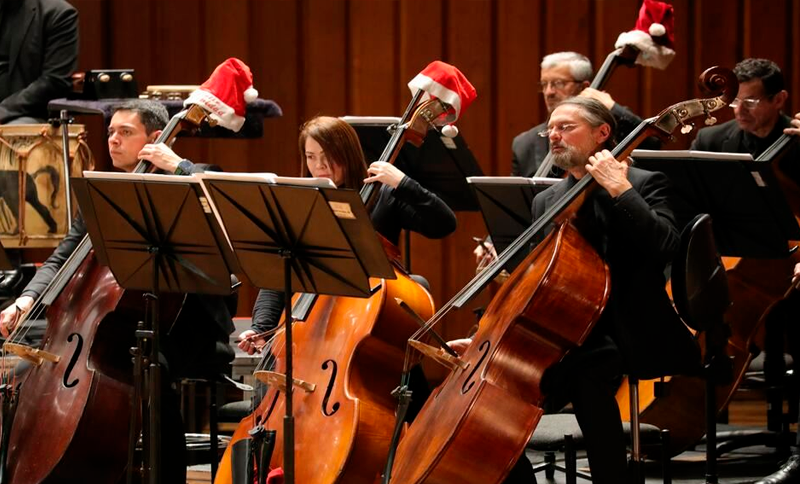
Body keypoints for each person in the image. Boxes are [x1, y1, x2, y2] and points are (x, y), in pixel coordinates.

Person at [452, 97, 699, 484]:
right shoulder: (547, 200)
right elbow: (542, 282)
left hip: (628, 327)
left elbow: (667, 246)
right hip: (566, 332)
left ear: (603, 133)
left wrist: (620, 189)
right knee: (485, 398)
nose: (554, 135)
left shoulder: (645, 183)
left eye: (566, 127)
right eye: (550, 128)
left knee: (588, 370)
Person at [0, 99, 236, 484]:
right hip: (113, 323)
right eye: (110, 132)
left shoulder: (191, 178)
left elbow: (223, 198)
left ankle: (167, 476)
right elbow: (64, 255)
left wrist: (175, 165)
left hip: (184, 325)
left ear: (155, 139)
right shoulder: (100, 191)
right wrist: (26, 300)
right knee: (30, 369)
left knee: (149, 367)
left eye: (125, 133)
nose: (113, 140)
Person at [237, 115, 457, 354]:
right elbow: (280, 274)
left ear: (348, 154)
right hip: (312, 325)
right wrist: (261, 328)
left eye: (328, 156)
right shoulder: (300, 201)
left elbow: (444, 224)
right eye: (311, 157)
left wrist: (403, 183)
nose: (319, 166)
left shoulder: (381, 194)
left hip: (364, 324)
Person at [691, 58, 800, 484]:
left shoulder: (798, 140)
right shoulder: (712, 138)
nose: (739, 109)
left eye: (752, 100)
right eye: (735, 99)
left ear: (780, 100)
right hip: (735, 263)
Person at [511, 51, 655, 179]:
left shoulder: (612, 124)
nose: (549, 92)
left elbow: (652, 143)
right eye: (544, 84)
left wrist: (613, 108)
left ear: (584, 88)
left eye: (558, 83)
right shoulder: (523, 144)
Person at [0, 0, 78, 124]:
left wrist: (3, 110)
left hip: (28, 115)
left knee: (19, 128)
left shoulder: (58, 13)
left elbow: (54, 81)